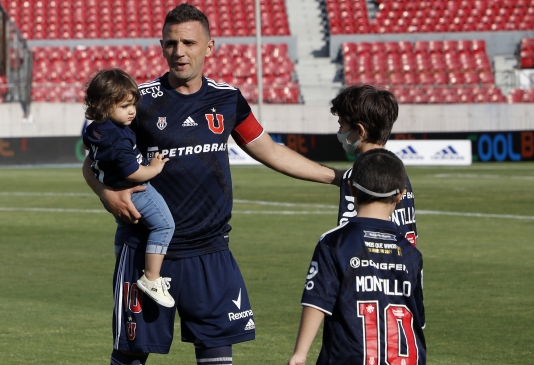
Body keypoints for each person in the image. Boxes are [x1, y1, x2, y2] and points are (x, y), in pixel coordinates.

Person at [81, 4, 342, 365]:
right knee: (130, 355)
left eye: (189, 42)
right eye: (171, 43)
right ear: (161, 46)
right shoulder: (137, 102)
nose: (179, 52)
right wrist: (106, 193)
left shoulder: (227, 99)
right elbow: (91, 161)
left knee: (217, 356)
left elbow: (269, 150)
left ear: (210, 46)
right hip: (147, 251)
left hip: (211, 250)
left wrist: (338, 177)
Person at [287, 148, 426, 365]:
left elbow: (318, 301)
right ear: (401, 195)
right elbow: (417, 319)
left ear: (350, 189)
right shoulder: (411, 253)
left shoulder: (335, 243)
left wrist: (300, 353)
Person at [82, 68, 175, 308]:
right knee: (165, 225)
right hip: (135, 190)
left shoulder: (94, 129)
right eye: (124, 106)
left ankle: (119, 257)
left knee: (123, 225)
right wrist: (154, 168)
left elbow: (90, 160)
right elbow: (132, 171)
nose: (132, 111)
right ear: (104, 105)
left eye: (133, 104)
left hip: (110, 189)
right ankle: (152, 278)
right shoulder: (119, 137)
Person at [332, 85, 418, 246]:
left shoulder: (360, 175)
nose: (339, 131)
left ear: (359, 130)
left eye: (341, 124)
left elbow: (352, 244)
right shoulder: (398, 172)